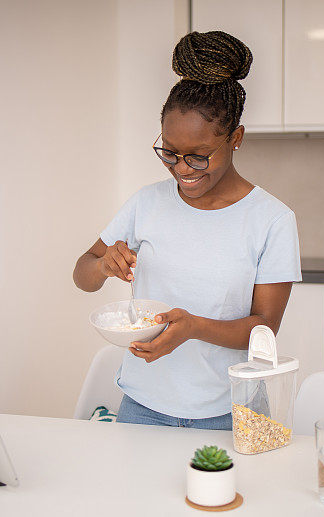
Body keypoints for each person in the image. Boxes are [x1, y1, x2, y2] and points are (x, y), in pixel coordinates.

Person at [72, 31, 301, 430]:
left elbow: (264, 327)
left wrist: (193, 327)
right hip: (141, 407)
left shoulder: (272, 220)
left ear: (236, 139)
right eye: (170, 153)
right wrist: (104, 265)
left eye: (198, 157)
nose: (181, 169)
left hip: (228, 413)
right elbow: (82, 274)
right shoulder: (146, 203)